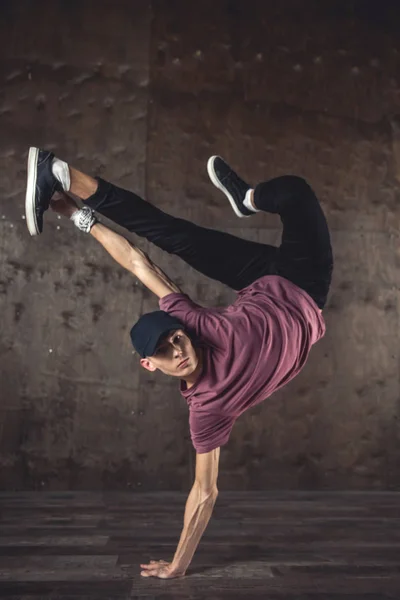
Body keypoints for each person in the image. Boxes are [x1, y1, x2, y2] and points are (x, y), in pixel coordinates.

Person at [25, 147, 333, 579]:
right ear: (149, 366)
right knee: (299, 193)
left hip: (260, 280)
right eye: (165, 351)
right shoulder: (207, 412)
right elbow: (204, 493)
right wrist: (178, 565)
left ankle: (59, 172)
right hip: (303, 286)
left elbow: (136, 261)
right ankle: (244, 199)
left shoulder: (194, 324)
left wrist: (76, 212)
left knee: (171, 234)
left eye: (175, 338)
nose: (178, 350)